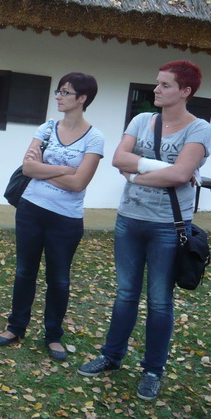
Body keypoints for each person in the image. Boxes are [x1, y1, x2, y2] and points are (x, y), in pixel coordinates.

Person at [78, 61, 211, 401]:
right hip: (129, 219)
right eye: (157, 83)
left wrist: (136, 175)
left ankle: (152, 370)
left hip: (169, 225)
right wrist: (161, 170)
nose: (156, 89)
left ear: (185, 91)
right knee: (125, 294)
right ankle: (111, 356)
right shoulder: (141, 121)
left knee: (160, 301)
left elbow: (180, 175)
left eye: (165, 85)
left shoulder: (199, 129)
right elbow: (118, 159)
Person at [0, 73, 104, 361]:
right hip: (31, 210)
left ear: (82, 98)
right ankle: (16, 327)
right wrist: (65, 170)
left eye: (65, 92)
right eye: (59, 91)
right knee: (24, 272)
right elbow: (28, 168)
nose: (58, 96)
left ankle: (53, 335)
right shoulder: (46, 128)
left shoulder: (95, 138)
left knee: (59, 280)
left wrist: (46, 169)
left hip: (66, 219)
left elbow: (79, 184)